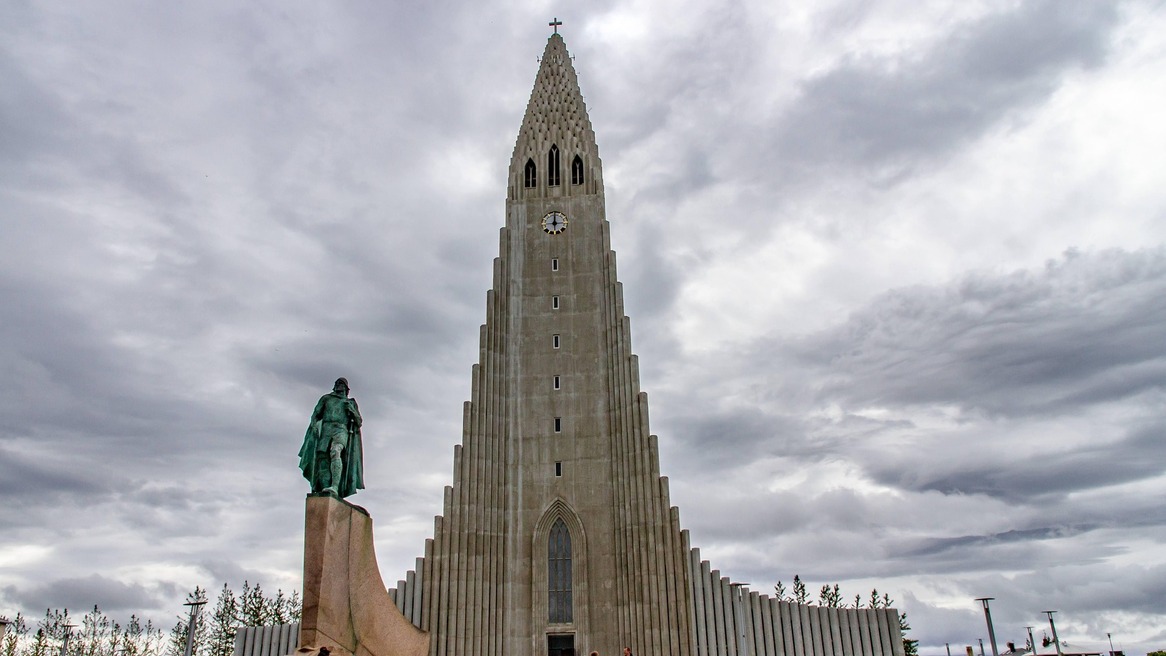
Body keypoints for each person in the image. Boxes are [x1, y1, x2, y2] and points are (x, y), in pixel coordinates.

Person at [298, 377, 364, 497]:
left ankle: (335, 486)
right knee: (323, 458)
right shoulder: (326, 398)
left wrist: (352, 411)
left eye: (342, 384)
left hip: (341, 429)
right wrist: (314, 426)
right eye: (338, 383)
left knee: (335, 451)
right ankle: (325, 486)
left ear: (346, 388)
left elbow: (359, 422)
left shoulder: (350, 403)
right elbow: (316, 414)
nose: (339, 386)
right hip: (326, 429)